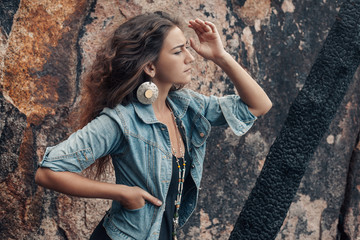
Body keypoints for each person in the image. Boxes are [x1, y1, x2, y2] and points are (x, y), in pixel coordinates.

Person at [35, 11, 272, 240]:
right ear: (150, 67)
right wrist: (122, 193)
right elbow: (48, 172)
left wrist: (220, 56)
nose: (190, 58)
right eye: (178, 51)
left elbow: (258, 105)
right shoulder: (123, 121)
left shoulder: (186, 107)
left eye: (186, 49)